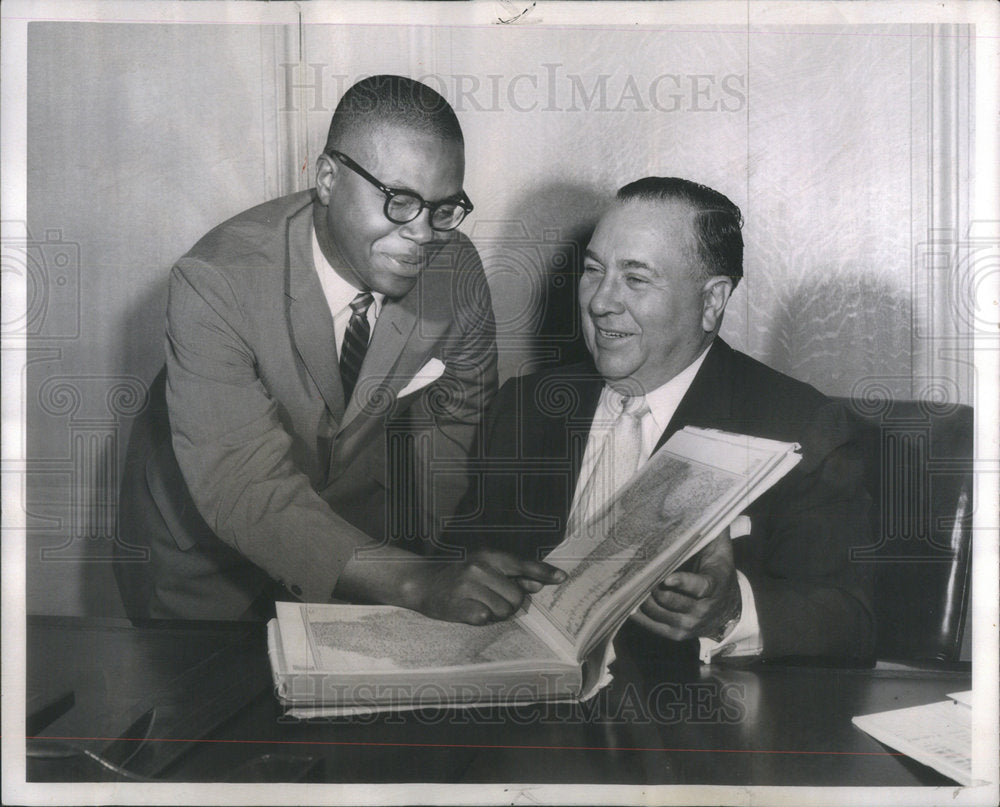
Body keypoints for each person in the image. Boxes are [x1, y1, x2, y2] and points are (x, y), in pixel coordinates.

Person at [115, 75, 563, 623]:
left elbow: (453, 431)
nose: (423, 233)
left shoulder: (457, 269)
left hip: (360, 555)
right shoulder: (214, 282)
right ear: (327, 178)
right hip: (205, 557)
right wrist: (418, 581)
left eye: (444, 208)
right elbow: (245, 488)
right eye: (399, 201)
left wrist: (453, 560)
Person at [447, 177, 875, 662]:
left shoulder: (803, 427)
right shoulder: (524, 407)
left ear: (711, 302)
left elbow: (850, 620)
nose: (600, 301)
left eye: (635, 278)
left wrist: (730, 613)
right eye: (594, 270)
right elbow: (460, 565)